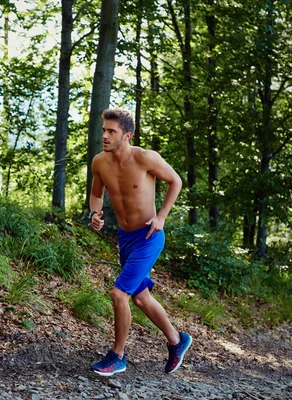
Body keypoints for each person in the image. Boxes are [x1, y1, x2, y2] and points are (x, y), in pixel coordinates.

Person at [89, 108, 192, 376]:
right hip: (126, 239)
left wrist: (162, 216)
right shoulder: (100, 162)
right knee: (141, 299)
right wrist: (94, 213)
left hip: (149, 236)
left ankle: (117, 356)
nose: (105, 136)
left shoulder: (146, 158)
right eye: (104, 131)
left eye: (111, 131)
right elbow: (96, 195)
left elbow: (176, 181)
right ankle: (177, 340)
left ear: (127, 135)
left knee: (118, 293)